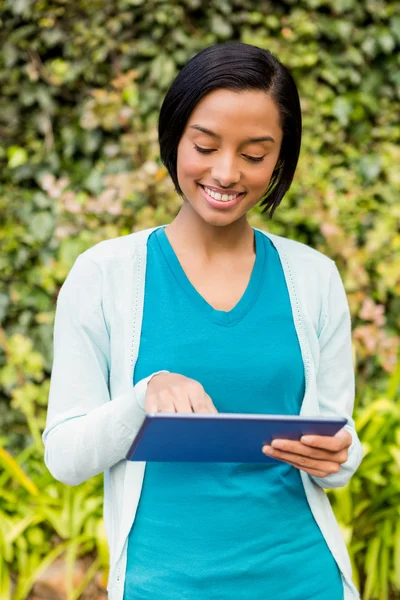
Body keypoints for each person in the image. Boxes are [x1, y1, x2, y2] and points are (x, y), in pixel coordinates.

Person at [43, 42, 363, 600]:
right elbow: (65, 457)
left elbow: (335, 444)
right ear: (174, 138)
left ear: (281, 158)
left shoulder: (314, 277)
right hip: (160, 585)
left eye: (255, 154)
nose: (226, 172)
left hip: (302, 580)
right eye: (205, 145)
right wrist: (145, 397)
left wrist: (340, 455)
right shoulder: (103, 275)